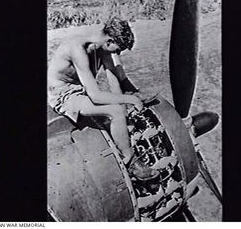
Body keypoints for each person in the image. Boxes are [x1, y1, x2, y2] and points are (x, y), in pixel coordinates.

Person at [48, 16, 159, 181]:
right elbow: (95, 96)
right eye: (117, 50)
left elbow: (114, 83)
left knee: (119, 110)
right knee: (114, 111)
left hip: (79, 89)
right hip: (63, 95)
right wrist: (130, 101)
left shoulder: (102, 47)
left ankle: (124, 142)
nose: (117, 55)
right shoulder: (78, 49)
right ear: (109, 41)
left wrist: (126, 110)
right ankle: (129, 162)